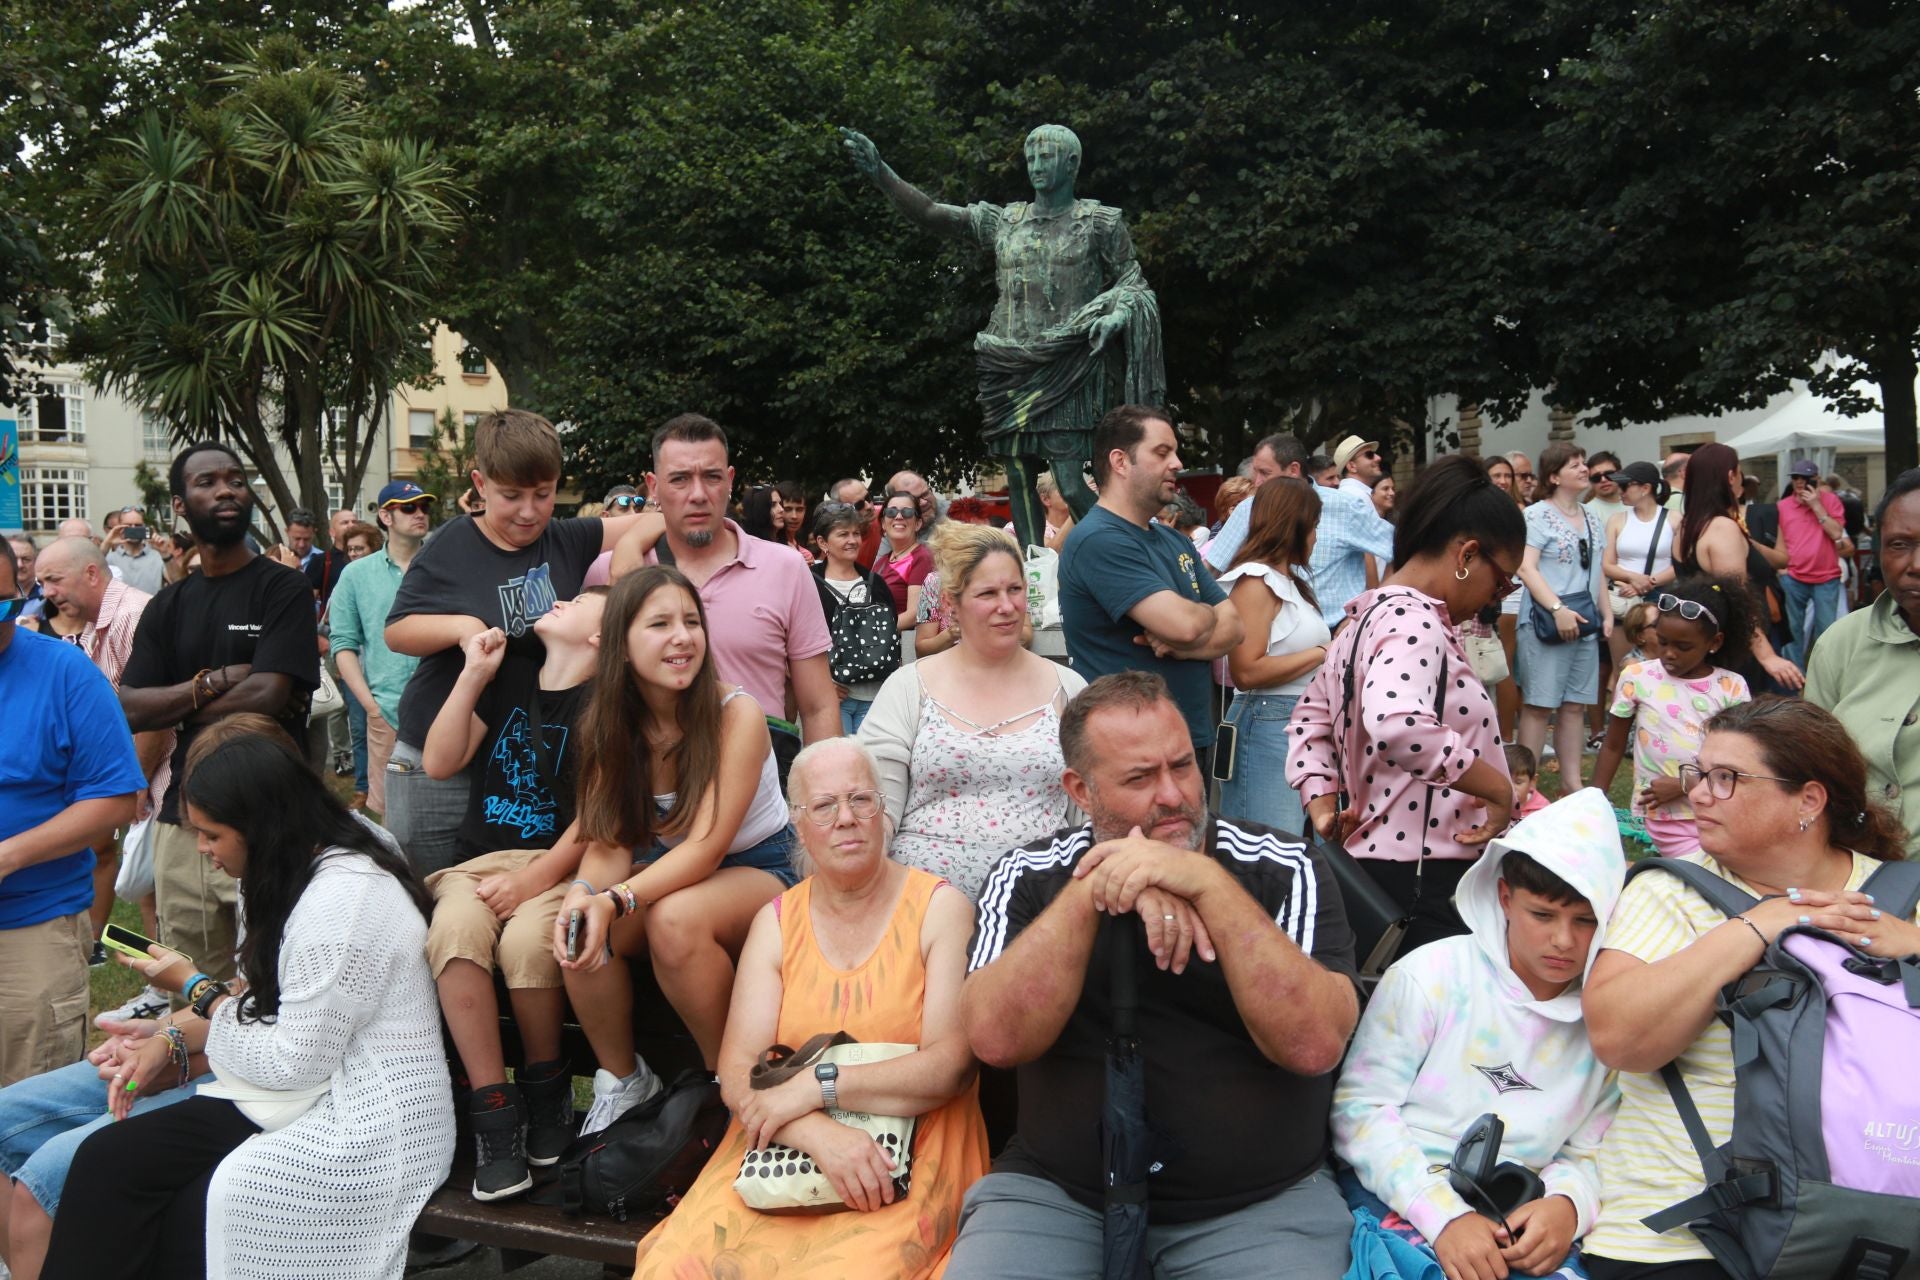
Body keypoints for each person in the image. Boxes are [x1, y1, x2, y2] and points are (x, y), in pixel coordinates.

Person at [949, 672, 1360, 1279]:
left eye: (1183, 766)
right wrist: (1096, 884)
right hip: (1061, 1195)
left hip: (1256, 1203)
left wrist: (1207, 883)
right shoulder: (1029, 874)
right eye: (1140, 778)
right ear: (1080, 791)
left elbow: (1315, 1043)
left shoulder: (1282, 866)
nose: (1173, 795)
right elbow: (995, 1039)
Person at [43, 731, 454, 1280]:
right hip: (301, 1092)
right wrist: (173, 1032)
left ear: (261, 825)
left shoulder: (342, 900)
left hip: (360, 1118)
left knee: (175, 1194)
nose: (202, 849)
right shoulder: (289, 868)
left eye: (212, 834)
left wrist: (194, 987)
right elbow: (269, 1010)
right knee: (110, 1163)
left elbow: (291, 1063)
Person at [1580, 697, 1916, 1278]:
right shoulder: (1669, 893)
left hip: (1870, 1224)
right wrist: (1760, 924)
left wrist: (1913, 945)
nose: (1699, 793)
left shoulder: (1900, 899)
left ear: (1809, 800)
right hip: (1684, 1231)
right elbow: (1619, 1040)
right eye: (1699, 774)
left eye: (1726, 778)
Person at [631, 738, 990, 1278]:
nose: (846, 818)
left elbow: (950, 1067)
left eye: (860, 800)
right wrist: (817, 1132)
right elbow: (736, 1071)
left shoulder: (940, 909)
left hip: (908, 1156)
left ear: (883, 811)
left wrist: (818, 1085)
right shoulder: (776, 921)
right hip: (779, 1153)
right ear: (798, 824)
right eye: (824, 806)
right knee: (675, 1267)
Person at [1333, 788, 1623, 1280]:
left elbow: (1595, 1149)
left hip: (1525, 1209)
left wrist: (1568, 1205)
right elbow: (1359, 1111)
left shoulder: (1612, 1020)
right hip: (1403, 1186)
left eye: (1587, 921)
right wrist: (1444, 1216)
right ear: (1505, 897)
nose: (1563, 940)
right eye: (1543, 915)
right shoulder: (1430, 976)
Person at [551, 567, 802, 1133]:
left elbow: (710, 847)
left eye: (691, 622)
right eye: (660, 624)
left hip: (764, 867)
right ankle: (625, 1080)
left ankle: (732, 1088)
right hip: (672, 873)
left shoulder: (735, 714)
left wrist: (615, 898)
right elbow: (610, 844)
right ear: (620, 644)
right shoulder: (609, 727)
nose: (683, 637)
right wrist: (584, 893)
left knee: (673, 921)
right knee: (577, 926)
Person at [383, 409, 657, 874]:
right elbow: (397, 631)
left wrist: (628, 550)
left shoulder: (564, 539)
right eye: (511, 496)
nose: (529, 511)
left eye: (543, 494)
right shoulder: (452, 545)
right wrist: (462, 627)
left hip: (514, 762)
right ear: (480, 483)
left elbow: (653, 520)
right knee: (432, 904)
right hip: (436, 755)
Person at [1290, 454, 1524, 950]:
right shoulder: (1413, 622)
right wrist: (1499, 790)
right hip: (1427, 877)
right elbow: (1400, 723)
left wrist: (1322, 805)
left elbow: (1310, 722)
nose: (1494, 598)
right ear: (1466, 556)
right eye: (1502, 581)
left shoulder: (1360, 620)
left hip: (1377, 869)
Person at [423, 589, 606, 1201]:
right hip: (478, 862)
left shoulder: (606, 707)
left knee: (530, 941)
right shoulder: (512, 678)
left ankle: (546, 1086)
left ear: (601, 639)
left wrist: (535, 879)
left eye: (580, 601)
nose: (560, 599)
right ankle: (492, 1108)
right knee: (453, 933)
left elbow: (597, 815)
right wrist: (474, 675)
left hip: (555, 865)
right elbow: (439, 759)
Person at [120, 442, 321, 993]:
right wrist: (211, 682)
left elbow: (269, 692)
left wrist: (181, 701)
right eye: (208, 482)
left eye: (236, 479)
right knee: (189, 978)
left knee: (275, 972)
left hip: (269, 814)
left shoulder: (283, 588)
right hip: (184, 817)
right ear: (180, 505)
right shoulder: (169, 604)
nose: (227, 489)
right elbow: (130, 706)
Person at [861, 523, 1087, 900]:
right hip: (922, 908)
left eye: (1015, 589)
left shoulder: (1068, 688)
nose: (1007, 606)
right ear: (951, 604)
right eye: (988, 593)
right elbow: (876, 808)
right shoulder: (908, 687)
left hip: (1042, 907)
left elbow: (1090, 814)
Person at [0, 539, 145, 1087]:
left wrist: (9, 856)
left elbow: (113, 800)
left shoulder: (65, 674)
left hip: (28, 929)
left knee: (22, 1111)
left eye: (3, 605)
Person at [609, 412, 839, 744]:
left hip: (761, 782)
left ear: (730, 480)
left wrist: (827, 789)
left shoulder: (785, 568)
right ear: (654, 486)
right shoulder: (615, 571)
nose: (698, 494)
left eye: (712, 477)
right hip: (650, 784)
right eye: (680, 479)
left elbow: (818, 707)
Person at [1059, 405, 1242, 775]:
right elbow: (1186, 624)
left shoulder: (1175, 541)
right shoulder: (1099, 539)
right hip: (1131, 751)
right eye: (1162, 452)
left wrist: (1185, 644)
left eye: (1175, 452)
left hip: (1187, 739)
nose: (1177, 463)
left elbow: (1235, 627)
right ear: (1120, 461)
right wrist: (1202, 620)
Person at [32, 537, 171, 953]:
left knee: (162, 885)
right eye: (40, 583)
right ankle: (158, 985)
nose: (46, 594)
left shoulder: (133, 615)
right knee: (148, 885)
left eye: (53, 580)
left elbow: (152, 712)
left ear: (91, 573)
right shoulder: (97, 622)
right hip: (142, 777)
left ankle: (176, 991)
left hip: (158, 778)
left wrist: (134, 783)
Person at [1592, 577, 1754, 858]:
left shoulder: (1731, 687)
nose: (1669, 653)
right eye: (1663, 641)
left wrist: (1683, 784)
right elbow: (1613, 744)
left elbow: (1739, 759)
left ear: (1714, 642)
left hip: (1718, 812)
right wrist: (1592, 798)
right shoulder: (1638, 677)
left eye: (1683, 646)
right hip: (1663, 818)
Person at [1805, 466, 1920, 850]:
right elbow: (1811, 769)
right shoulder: (1841, 644)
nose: (1915, 565)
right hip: (1856, 874)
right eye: (1899, 544)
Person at [1217, 478, 1330, 836]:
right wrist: (1324, 653)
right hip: (1267, 721)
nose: (1315, 537)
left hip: (1296, 724)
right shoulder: (1255, 581)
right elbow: (1246, 670)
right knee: (1270, 850)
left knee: (1296, 851)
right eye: (1312, 527)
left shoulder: (1287, 582)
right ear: (1293, 526)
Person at [1207, 431, 1398, 628]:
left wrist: (1371, 609)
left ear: (1293, 470)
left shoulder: (1343, 506)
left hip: (1334, 638)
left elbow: (1403, 548)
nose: (1257, 482)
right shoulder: (1249, 508)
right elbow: (1210, 570)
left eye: (1264, 473)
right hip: (1269, 645)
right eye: (1256, 473)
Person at [328, 481, 431, 816]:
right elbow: (342, 642)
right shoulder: (356, 575)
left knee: (446, 813)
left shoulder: (443, 565)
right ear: (386, 516)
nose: (420, 514)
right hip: (387, 711)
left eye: (424, 507)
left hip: (446, 710)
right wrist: (370, 707)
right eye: (409, 507)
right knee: (393, 817)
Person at [1512, 443, 1610, 792]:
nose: (1585, 470)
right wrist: (1557, 610)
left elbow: (1595, 569)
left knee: (1574, 706)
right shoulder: (1536, 515)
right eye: (1575, 465)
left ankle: (1572, 786)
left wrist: (1607, 612)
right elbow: (1525, 566)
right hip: (1545, 622)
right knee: (1539, 705)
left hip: (1585, 622)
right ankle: (1527, 786)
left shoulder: (1592, 516)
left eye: (1584, 463)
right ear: (1554, 476)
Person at [1670, 442, 1801, 692]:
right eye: (1739, 471)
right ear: (1731, 476)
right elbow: (1737, 598)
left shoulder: (1688, 526)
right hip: (1738, 650)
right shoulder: (1720, 528)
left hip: (1713, 643)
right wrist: (1768, 657)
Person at [809, 502, 899, 733]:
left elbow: (892, 635)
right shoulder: (808, 583)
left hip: (876, 698)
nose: (852, 540)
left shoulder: (875, 582)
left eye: (856, 533)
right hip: (832, 700)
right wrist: (821, 685)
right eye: (843, 534)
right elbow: (796, 642)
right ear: (822, 542)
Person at [1774, 459, 1851, 666]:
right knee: (1792, 631)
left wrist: (1817, 506)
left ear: (1815, 480)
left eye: (1805, 478)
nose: (1800, 482)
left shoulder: (1831, 500)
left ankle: (1823, 675)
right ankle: (1796, 680)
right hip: (1793, 577)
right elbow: (1778, 539)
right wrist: (1781, 568)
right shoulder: (1783, 506)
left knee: (1826, 631)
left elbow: (1836, 533)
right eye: (1796, 478)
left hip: (1826, 577)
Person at [1601, 460, 1677, 669]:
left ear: (1645, 488)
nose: (1620, 491)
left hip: (1660, 597)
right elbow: (1607, 564)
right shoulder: (1617, 520)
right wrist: (1633, 580)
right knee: (1623, 668)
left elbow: (1680, 563)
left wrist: (1647, 583)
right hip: (1624, 597)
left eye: (1625, 486)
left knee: (1662, 664)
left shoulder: (1674, 519)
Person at [1486, 455, 1529, 739]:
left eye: (1507, 475)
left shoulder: (1521, 510)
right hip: (1484, 591)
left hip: (1510, 592)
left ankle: (1505, 738)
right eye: (1496, 475)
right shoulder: (1483, 508)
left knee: (1503, 666)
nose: (1502, 481)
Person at [875, 488, 934, 624]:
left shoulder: (921, 558)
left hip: (900, 642)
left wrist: (875, 635)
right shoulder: (881, 562)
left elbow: (914, 614)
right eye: (891, 512)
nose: (899, 516)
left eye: (907, 512)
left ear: (918, 524)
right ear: (883, 523)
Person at [104, 511, 166, 595]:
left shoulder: (158, 556)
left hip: (152, 607)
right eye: (128, 526)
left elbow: (176, 581)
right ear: (119, 528)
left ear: (145, 527)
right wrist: (106, 544)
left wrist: (166, 552)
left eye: (138, 526)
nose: (133, 529)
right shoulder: (109, 559)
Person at [1034, 468, 1077, 551]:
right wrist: (1076, 510)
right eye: (1065, 488)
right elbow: (1049, 554)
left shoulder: (1085, 522)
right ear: (1045, 499)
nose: (1073, 492)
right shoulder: (1035, 528)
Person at [1332, 433, 1386, 498]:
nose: (1378, 458)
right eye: (1369, 455)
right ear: (1351, 466)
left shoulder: (1356, 494)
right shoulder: (1356, 496)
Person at [1506, 742, 1550, 819]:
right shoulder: (1487, 804)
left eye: (1518, 782)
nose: (1511, 788)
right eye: (1505, 781)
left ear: (1532, 782)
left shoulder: (1542, 809)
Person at [1582, 451, 1626, 526]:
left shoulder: (1634, 503)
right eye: (1596, 477)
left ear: (1619, 474)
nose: (1603, 480)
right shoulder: (1588, 512)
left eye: (1609, 474)